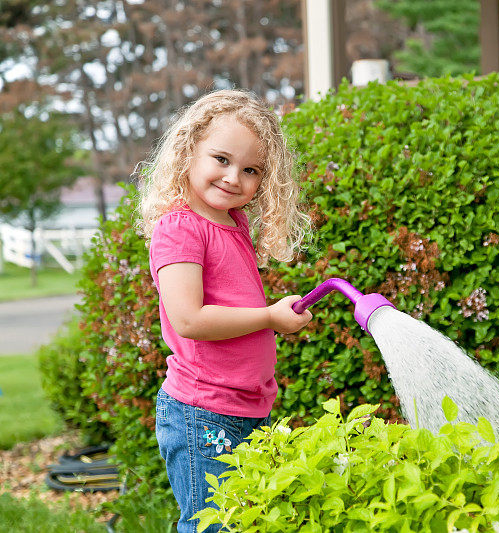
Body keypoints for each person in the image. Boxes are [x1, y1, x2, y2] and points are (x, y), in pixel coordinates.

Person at [137, 89, 312, 533]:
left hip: (248, 406)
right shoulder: (180, 229)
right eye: (221, 159)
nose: (234, 177)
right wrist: (270, 317)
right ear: (187, 151)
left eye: (250, 169)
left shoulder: (235, 223)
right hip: (202, 412)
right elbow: (190, 320)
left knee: (246, 522)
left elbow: (235, 303)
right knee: (211, 525)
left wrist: (275, 313)